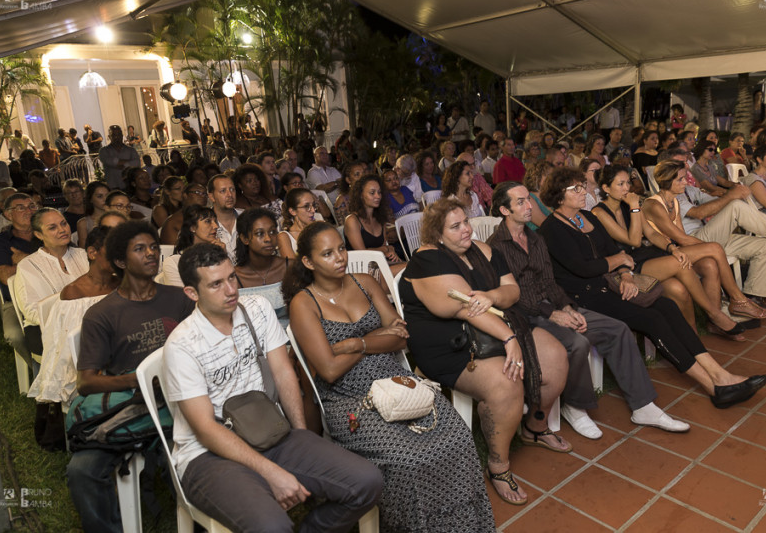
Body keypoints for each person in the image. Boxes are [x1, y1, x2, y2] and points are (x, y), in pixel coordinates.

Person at [284, 222, 495, 529]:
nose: (340, 258)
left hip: (397, 380)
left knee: (457, 437)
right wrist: (377, 337)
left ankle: (462, 524)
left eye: (341, 248)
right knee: (409, 457)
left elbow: (401, 336)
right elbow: (328, 371)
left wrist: (356, 343)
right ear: (308, 262)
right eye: (327, 254)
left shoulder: (365, 282)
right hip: (350, 399)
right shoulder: (304, 303)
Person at [161, 243, 382, 533]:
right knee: (272, 527)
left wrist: (302, 435)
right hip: (207, 454)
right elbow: (205, 428)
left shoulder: (257, 309)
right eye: (216, 284)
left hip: (268, 431)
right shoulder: (182, 345)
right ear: (192, 293)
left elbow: (283, 373)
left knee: (368, 482)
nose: (230, 290)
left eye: (231, 277)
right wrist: (272, 473)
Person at [540, 167, 766, 410]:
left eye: (582, 185)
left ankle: (720, 374)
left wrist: (626, 275)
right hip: (586, 296)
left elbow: (615, 252)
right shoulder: (551, 229)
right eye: (576, 188)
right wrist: (620, 263)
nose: (583, 191)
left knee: (668, 306)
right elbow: (583, 268)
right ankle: (713, 386)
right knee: (651, 319)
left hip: (614, 284)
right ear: (559, 196)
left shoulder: (589, 218)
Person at [400, 198, 571, 506]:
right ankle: (499, 465)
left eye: (465, 221)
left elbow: (513, 291)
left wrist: (491, 295)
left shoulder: (485, 251)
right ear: (437, 235)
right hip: (450, 345)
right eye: (455, 226)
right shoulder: (428, 258)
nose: (466, 229)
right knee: (506, 384)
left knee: (556, 357)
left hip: (494, 332)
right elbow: (463, 309)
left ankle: (534, 426)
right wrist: (508, 339)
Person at [489, 182, 688, 438]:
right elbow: (514, 295)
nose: (530, 206)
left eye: (529, 199)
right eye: (520, 202)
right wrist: (552, 313)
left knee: (618, 329)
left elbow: (550, 282)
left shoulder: (535, 238)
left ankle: (643, 405)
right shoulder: (496, 246)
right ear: (505, 210)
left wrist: (567, 307)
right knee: (576, 342)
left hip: (552, 305)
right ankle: (575, 406)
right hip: (526, 315)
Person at [67, 221, 194, 533]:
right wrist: (138, 381)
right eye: (140, 249)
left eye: (153, 247)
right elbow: (87, 382)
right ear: (120, 262)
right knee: (81, 471)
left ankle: (205, 517)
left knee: (198, 455)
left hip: (179, 402)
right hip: (133, 405)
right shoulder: (103, 314)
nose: (152, 253)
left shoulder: (179, 298)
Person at [593, 166, 745, 338]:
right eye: (620, 184)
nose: (627, 188)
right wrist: (635, 207)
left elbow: (650, 233)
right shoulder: (599, 212)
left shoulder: (626, 205)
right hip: (623, 267)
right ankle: (714, 314)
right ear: (606, 188)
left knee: (678, 289)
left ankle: (691, 336)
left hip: (644, 257)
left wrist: (671, 248)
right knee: (681, 262)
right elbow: (633, 240)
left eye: (627, 182)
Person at [642, 161, 766, 320]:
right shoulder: (654, 205)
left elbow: (682, 238)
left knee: (710, 263)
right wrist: (709, 247)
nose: (686, 182)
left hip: (676, 249)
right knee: (715, 249)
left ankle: (713, 319)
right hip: (661, 254)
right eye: (680, 180)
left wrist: (707, 249)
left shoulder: (674, 201)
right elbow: (680, 238)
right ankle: (738, 299)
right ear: (667, 181)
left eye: (685, 178)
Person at [30, 226, 119, 405]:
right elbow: (65, 346)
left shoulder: (120, 282)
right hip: (95, 361)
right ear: (93, 253)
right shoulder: (74, 293)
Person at [13, 208, 89, 343]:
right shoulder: (28, 266)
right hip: (45, 329)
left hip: (88, 323)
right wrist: (69, 317)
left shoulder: (82, 255)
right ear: (39, 234)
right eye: (52, 227)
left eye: (64, 223)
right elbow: (31, 312)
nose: (62, 230)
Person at [0, 192, 37, 363]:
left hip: (54, 293)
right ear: (8, 215)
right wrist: (40, 260)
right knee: (14, 334)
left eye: (31, 206)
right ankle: (37, 368)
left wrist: (25, 260)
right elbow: (7, 277)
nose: (28, 211)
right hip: (16, 302)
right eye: (20, 208)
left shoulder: (48, 233)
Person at [233, 208, 289, 324]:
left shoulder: (290, 267)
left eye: (273, 232)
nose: (268, 239)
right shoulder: (235, 277)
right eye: (260, 234)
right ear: (245, 238)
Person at [343, 175, 403, 267]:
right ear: (361, 195)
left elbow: (384, 246)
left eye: (379, 192)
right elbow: (362, 254)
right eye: (372, 193)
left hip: (380, 263)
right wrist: (384, 249)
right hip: (362, 269)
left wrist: (390, 251)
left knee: (412, 266)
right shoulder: (352, 220)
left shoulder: (380, 217)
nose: (378, 196)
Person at [162, 205, 224, 287]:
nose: (216, 226)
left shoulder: (217, 252)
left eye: (215, 221)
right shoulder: (173, 262)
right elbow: (181, 297)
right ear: (193, 228)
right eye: (208, 221)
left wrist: (222, 257)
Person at [276, 188, 318, 259]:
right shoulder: (284, 237)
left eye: (313, 205)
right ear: (293, 211)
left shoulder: (319, 228)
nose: (313, 210)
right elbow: (292, 267)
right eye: (306, 206)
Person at [98, 125, 140, 190]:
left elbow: (136, 163)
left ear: (122, 135)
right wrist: (128, 164)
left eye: (119, 134)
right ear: (109, 137)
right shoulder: (104, 151)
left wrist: (122, 164)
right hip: (113, 188)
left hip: (130, 188)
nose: (117, 137)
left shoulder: (131, 150)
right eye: (114, 135)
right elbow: (109, 161)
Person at [522, 161, 552, 230]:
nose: (553, 179)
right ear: (536, 177)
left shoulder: (549, 197)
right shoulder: (528, 199)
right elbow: (546, 225)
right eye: (548, 175)